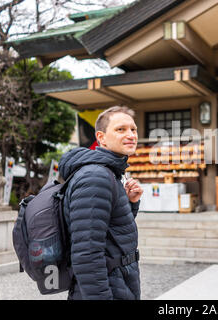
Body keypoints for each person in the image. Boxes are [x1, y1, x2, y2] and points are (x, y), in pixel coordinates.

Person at [58, 106, 143, 300]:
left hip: (119, 282)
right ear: (101, 137)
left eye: (133, 129)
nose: (131, 135)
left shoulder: (109, 172)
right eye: (120, 129)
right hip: (107, 288)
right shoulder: (96, 176)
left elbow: (112, 233)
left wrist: (130, 204)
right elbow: (86, 254)